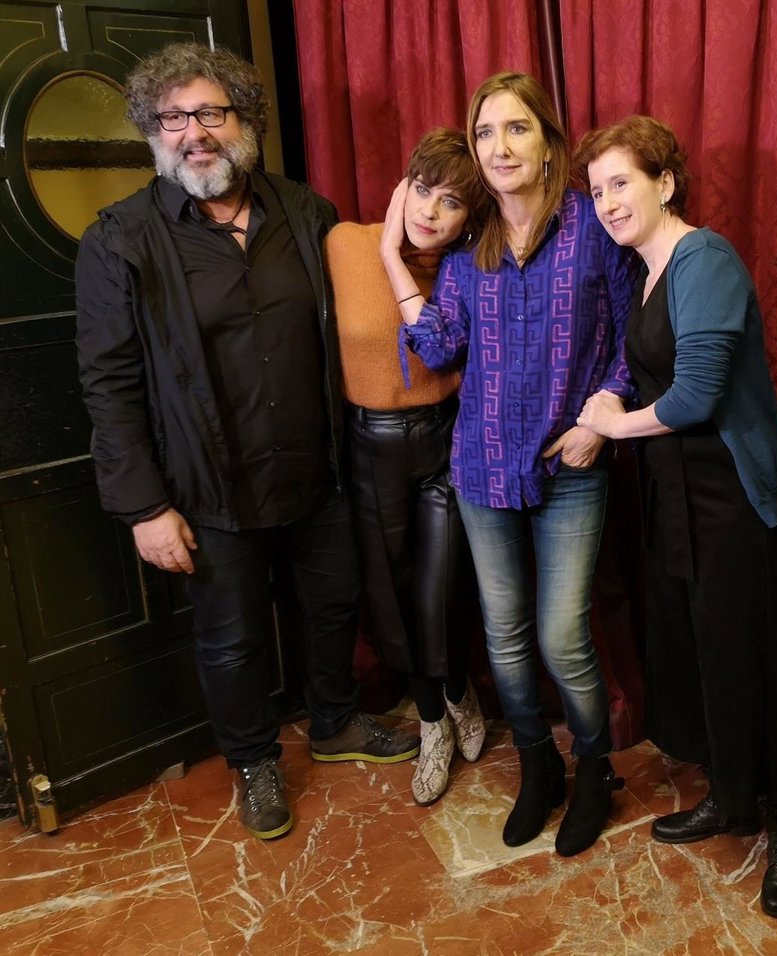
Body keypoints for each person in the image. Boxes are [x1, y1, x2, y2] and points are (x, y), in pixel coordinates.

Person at [74, 42, 419, 842]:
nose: (192, 132)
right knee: (231, 639)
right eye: (172, 118)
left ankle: (334, 723)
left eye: (209, 112)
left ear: (244, 120)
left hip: (317, 468)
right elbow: (108, 384)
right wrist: (144, 507)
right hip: (206, 483)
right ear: (153, 132)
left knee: (332, 606)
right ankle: (254, 761)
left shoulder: (306, 212)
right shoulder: (119, 239)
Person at [385, 72, 636, 857]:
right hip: (482, 466)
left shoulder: (593, 226)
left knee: (564, 637)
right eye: (485, 133)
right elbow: (438, 346)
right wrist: (394, 258)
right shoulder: (469, 245)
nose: (499, 146)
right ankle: (538, 767)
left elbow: (636, 334)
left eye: (516, 128)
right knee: (506, 638)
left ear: (549, 143)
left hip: (571, 464)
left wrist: (602, 419)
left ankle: (593, 770)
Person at [575, 116, 777, 919]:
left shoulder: (702, 257)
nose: (608, 202)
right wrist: (612, 404)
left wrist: (614, 427)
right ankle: (731, 798)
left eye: (622, 183)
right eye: (596, 190)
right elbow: (655, 381)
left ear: (665, 182)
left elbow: (698, 396)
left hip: (728, 498)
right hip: (676, 497)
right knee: (709, 659)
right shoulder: (645, 270)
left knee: (754, 662)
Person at [325, 128, 487, 806]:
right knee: (391, 594)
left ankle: (456, 688)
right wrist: (384, 247)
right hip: (370, 444)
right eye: (423, 190)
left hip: (442, 439)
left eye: (451, 202)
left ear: (468, 218)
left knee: (440, 593)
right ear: (402, 186)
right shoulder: (343, 245)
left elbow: (447, 355)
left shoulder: (466, 270)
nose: (430, 211)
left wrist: (397, 256)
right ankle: (432, 721)